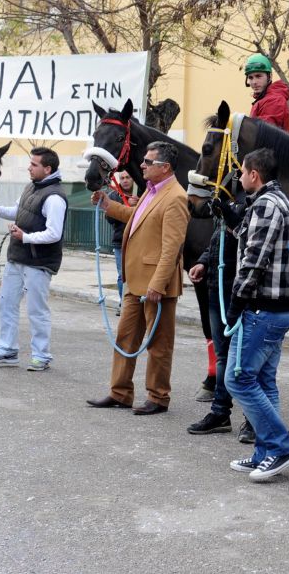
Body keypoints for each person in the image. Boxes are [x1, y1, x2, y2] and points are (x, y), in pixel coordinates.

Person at [86, 141, 190, 414]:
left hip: (157, 285)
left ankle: (158, 397)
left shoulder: (176, 197)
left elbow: (172, 248)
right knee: (125, 338)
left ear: (164, 167)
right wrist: (108, 205)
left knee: (159, 344)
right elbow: (136, 217)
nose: (141, 165)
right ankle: (120, 393)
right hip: (134, 280)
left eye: (148, 162)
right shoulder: (151, 191)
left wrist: (158, 283)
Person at [223, 148, 289, 481]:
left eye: (242, 172)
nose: (239, 178)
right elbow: (253, 241)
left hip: (264, 309)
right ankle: (264, 452)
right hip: (276, 309)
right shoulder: (278, 202)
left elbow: (255, 259)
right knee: (263, 381)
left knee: (237, 379)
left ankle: (280, 447)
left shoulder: (268, 206)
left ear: (254, 174)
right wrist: (230, 221)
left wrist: (237, 300)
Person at [0, 147, 68, 372]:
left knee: (36, 310)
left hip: (39, 263)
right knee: (6, 303)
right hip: (17, 257)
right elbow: (17, 211)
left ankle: (41, 355)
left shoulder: (55, 197)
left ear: (47, 169)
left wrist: (25, 236)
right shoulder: (31, 187)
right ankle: (7, 349)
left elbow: (54, 233)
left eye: (34, 164)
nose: (29, 167)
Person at [186, 192, 257, 443]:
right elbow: (218, 239)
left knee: (245, 358)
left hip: (236, 291)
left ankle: (253, 418)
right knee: (223, 355)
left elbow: (248, 242)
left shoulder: (253, 205)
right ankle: (220, 413)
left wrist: (230, 214)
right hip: (216, 288)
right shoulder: (226, 202)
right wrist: (204, 261)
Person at [106, 170, 137, 315]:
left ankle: (136, 303)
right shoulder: (114, 195)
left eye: (128, 177)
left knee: (137, 273)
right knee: (122, 274)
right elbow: (109, 218)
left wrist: (136, 205)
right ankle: (123, 303)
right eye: (122, 178)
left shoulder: (142, 193)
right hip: (120, 241)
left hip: (138, 241)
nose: (125, 180)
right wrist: (126, 208)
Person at [244, 53, 289, 133]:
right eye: (250, 77)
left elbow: (263, 135)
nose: (254, 82)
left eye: (258, 76)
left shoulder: (275, 100)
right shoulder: (263, 99)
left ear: (270, 76)